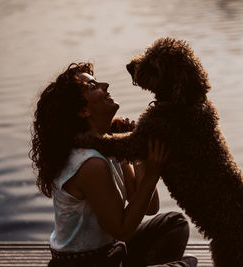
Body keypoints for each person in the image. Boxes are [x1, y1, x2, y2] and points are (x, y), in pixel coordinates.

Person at [30, 62, 198, 267]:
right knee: (187, 263)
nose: (106, 84)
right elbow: (123, 230)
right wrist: (153, 172)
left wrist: (136, 152)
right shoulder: (90, 164)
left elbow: (149, 206)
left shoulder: (107, 145)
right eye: (94, 86)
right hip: (88, 263)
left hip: (110, 253)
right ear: (83, 111)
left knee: (174, 224)